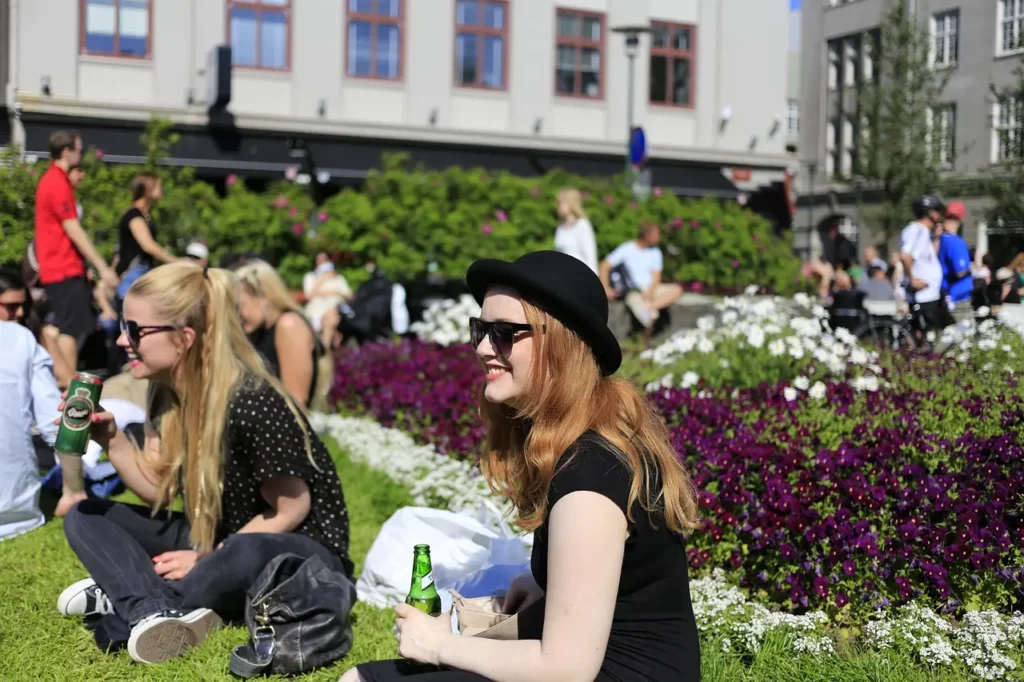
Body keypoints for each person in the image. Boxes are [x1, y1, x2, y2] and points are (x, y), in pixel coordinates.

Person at [344, 250, 701, 682]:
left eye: (504, 333)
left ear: (561, 344)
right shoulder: (587, 442)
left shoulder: (591, 476)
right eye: (480, 330)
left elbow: (566, 669)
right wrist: (543, 584)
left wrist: (438, 645)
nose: (482, 348)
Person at [58, 261, 353, 664]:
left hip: (297, 553)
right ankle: (150, 607)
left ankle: (131, 597)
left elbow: (291, 509)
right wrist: (112, 441)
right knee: (85, 515)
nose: (123, 340)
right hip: (220, 539)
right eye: (124, 326)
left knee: (243, 552)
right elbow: (158, 492)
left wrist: (207, 557)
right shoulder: (165, 394)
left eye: (136, 330)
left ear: (185, 338)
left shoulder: (252, 399)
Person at [34, 130, 119, 384]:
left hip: (62, 267)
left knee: (60, 326)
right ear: (66, 151)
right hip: (62, 267)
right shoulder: (56, 182)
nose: (81, 156)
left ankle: (59, 379)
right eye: (79, 150)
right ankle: (68, 386)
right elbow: (73, 228)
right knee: (69, 328)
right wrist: (102, 267)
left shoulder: (55, 180)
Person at [0, 321, 62, 540]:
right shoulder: (19, 336)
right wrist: (75, 489)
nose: (18, 313)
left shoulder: (20, 337)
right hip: (17, 514)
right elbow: (55, 424)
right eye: (9, 306)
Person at [234, 259, 324, 409]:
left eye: (239, 306)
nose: (237, 316)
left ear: (262, 295)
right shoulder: (260, 332)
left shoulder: (289, 325)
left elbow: (296, 400)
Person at [599, 224, 683, 340]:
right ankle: (644, 336)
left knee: (677, 290)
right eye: (656, 235)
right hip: (633, 291)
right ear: (646, 235)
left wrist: (650, 292)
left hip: (651, 289)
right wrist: (605, 288)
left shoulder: (655, 252)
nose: (659, 238)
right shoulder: (627, 249)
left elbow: (656, 277)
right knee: (648, 317)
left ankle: (651, 307)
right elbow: (604, 266)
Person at [116, 172, 177, 303]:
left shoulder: (145, 215)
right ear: (148, 188)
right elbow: (148, 245)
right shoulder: (134, 214)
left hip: (142, 270)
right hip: (134, 272)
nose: (161, 190)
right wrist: (175, 261)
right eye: (158, 186)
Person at [899, 195, 947, 334]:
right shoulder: (917, 230)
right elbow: (905, 256)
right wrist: (912, 280)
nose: (939, 215)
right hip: (922, 295)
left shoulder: (924, 232)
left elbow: (928, 258)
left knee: (926, 334)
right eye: (937, 211)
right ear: (930, 212)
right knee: (923, 334)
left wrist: (936, 237)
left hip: (929, 294)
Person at [303, 252, 353, 350]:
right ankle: (332, 340)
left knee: (330, 314)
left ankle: (325, 348)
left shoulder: (338, 278)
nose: (321, 262)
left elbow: (349, 295)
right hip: (317, 308)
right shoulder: (310, 277)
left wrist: (333, 292)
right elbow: (309, 295)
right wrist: (321, 279)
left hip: (336, 307)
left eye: (324, 259)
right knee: (326, 316)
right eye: (319, 259)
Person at [938, 201, 974, 323]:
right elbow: (960, 272)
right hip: (958, 297)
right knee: (963, 332)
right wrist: (972, 269)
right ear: (961, 218)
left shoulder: (939, 239)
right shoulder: (956, 242)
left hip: (943, 295)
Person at [552, 188, 598, 274]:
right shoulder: (560, 227)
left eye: (562, 203)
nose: (559, 206)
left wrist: (593, 277)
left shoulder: (582, 225)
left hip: (580, 274)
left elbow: (590, 255)